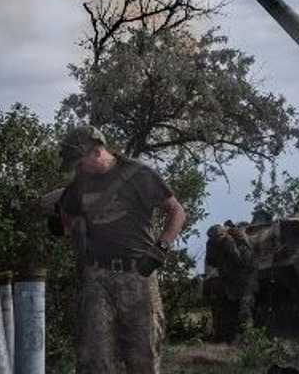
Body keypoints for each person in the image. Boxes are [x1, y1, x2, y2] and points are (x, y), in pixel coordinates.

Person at [56, 125, 188, 374]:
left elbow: (177, 212)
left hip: (137, 275)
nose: (78, 168)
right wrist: (68, 227)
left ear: (97, 151)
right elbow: (65, 216)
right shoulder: (78, 185)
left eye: (79, 161)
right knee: (92, 357)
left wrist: (160, 248)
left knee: (143, 357)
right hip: (96, 278)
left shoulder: (139, 174)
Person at [204, 221, 257, 342]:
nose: (216, 240)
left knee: (245, 310)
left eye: (218, 237)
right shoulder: (212, 244)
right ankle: (230, 339)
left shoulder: (237, 241)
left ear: (224, 235)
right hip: (228, 280)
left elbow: (245, 263)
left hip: (245, 280)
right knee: (229, 312)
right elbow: (212, 261)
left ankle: (247, 339)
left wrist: (231, 249)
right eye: (213, 239)